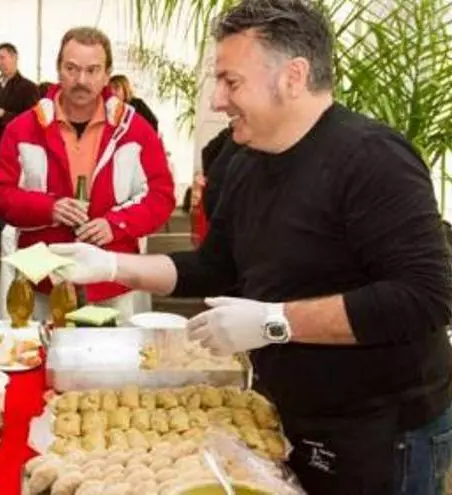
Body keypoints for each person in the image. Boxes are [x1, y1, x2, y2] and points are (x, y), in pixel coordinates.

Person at [48, 1, 452, 493]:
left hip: (383, 433)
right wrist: (114, 265)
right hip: (288, 415)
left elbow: (425, 297)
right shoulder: (246, 160)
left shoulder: (372, 158)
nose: (218, 100)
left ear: (293, 77)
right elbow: (214, 266)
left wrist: (275, 322)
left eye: (231, 81)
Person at [0, 27, 175, 322]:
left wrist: (116, 224)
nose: (81, 80)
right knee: (41, 350)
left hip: (112, 280)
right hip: (43, 279)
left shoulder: (135, 129)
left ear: (107, 74)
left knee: (113, 352)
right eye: (72, 68)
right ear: (58, 69)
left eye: (92, 70)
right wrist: (49, 208)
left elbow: (162, 197)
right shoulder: (22, 128)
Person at [0, 42, 40, 237]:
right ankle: (1, 240)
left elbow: (33, 120)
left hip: (15, 154)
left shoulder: (28, 87)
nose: (0, 62)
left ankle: (13, 241)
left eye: (3, 57)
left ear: (15, 58)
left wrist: (4, 115)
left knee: (12, 200)